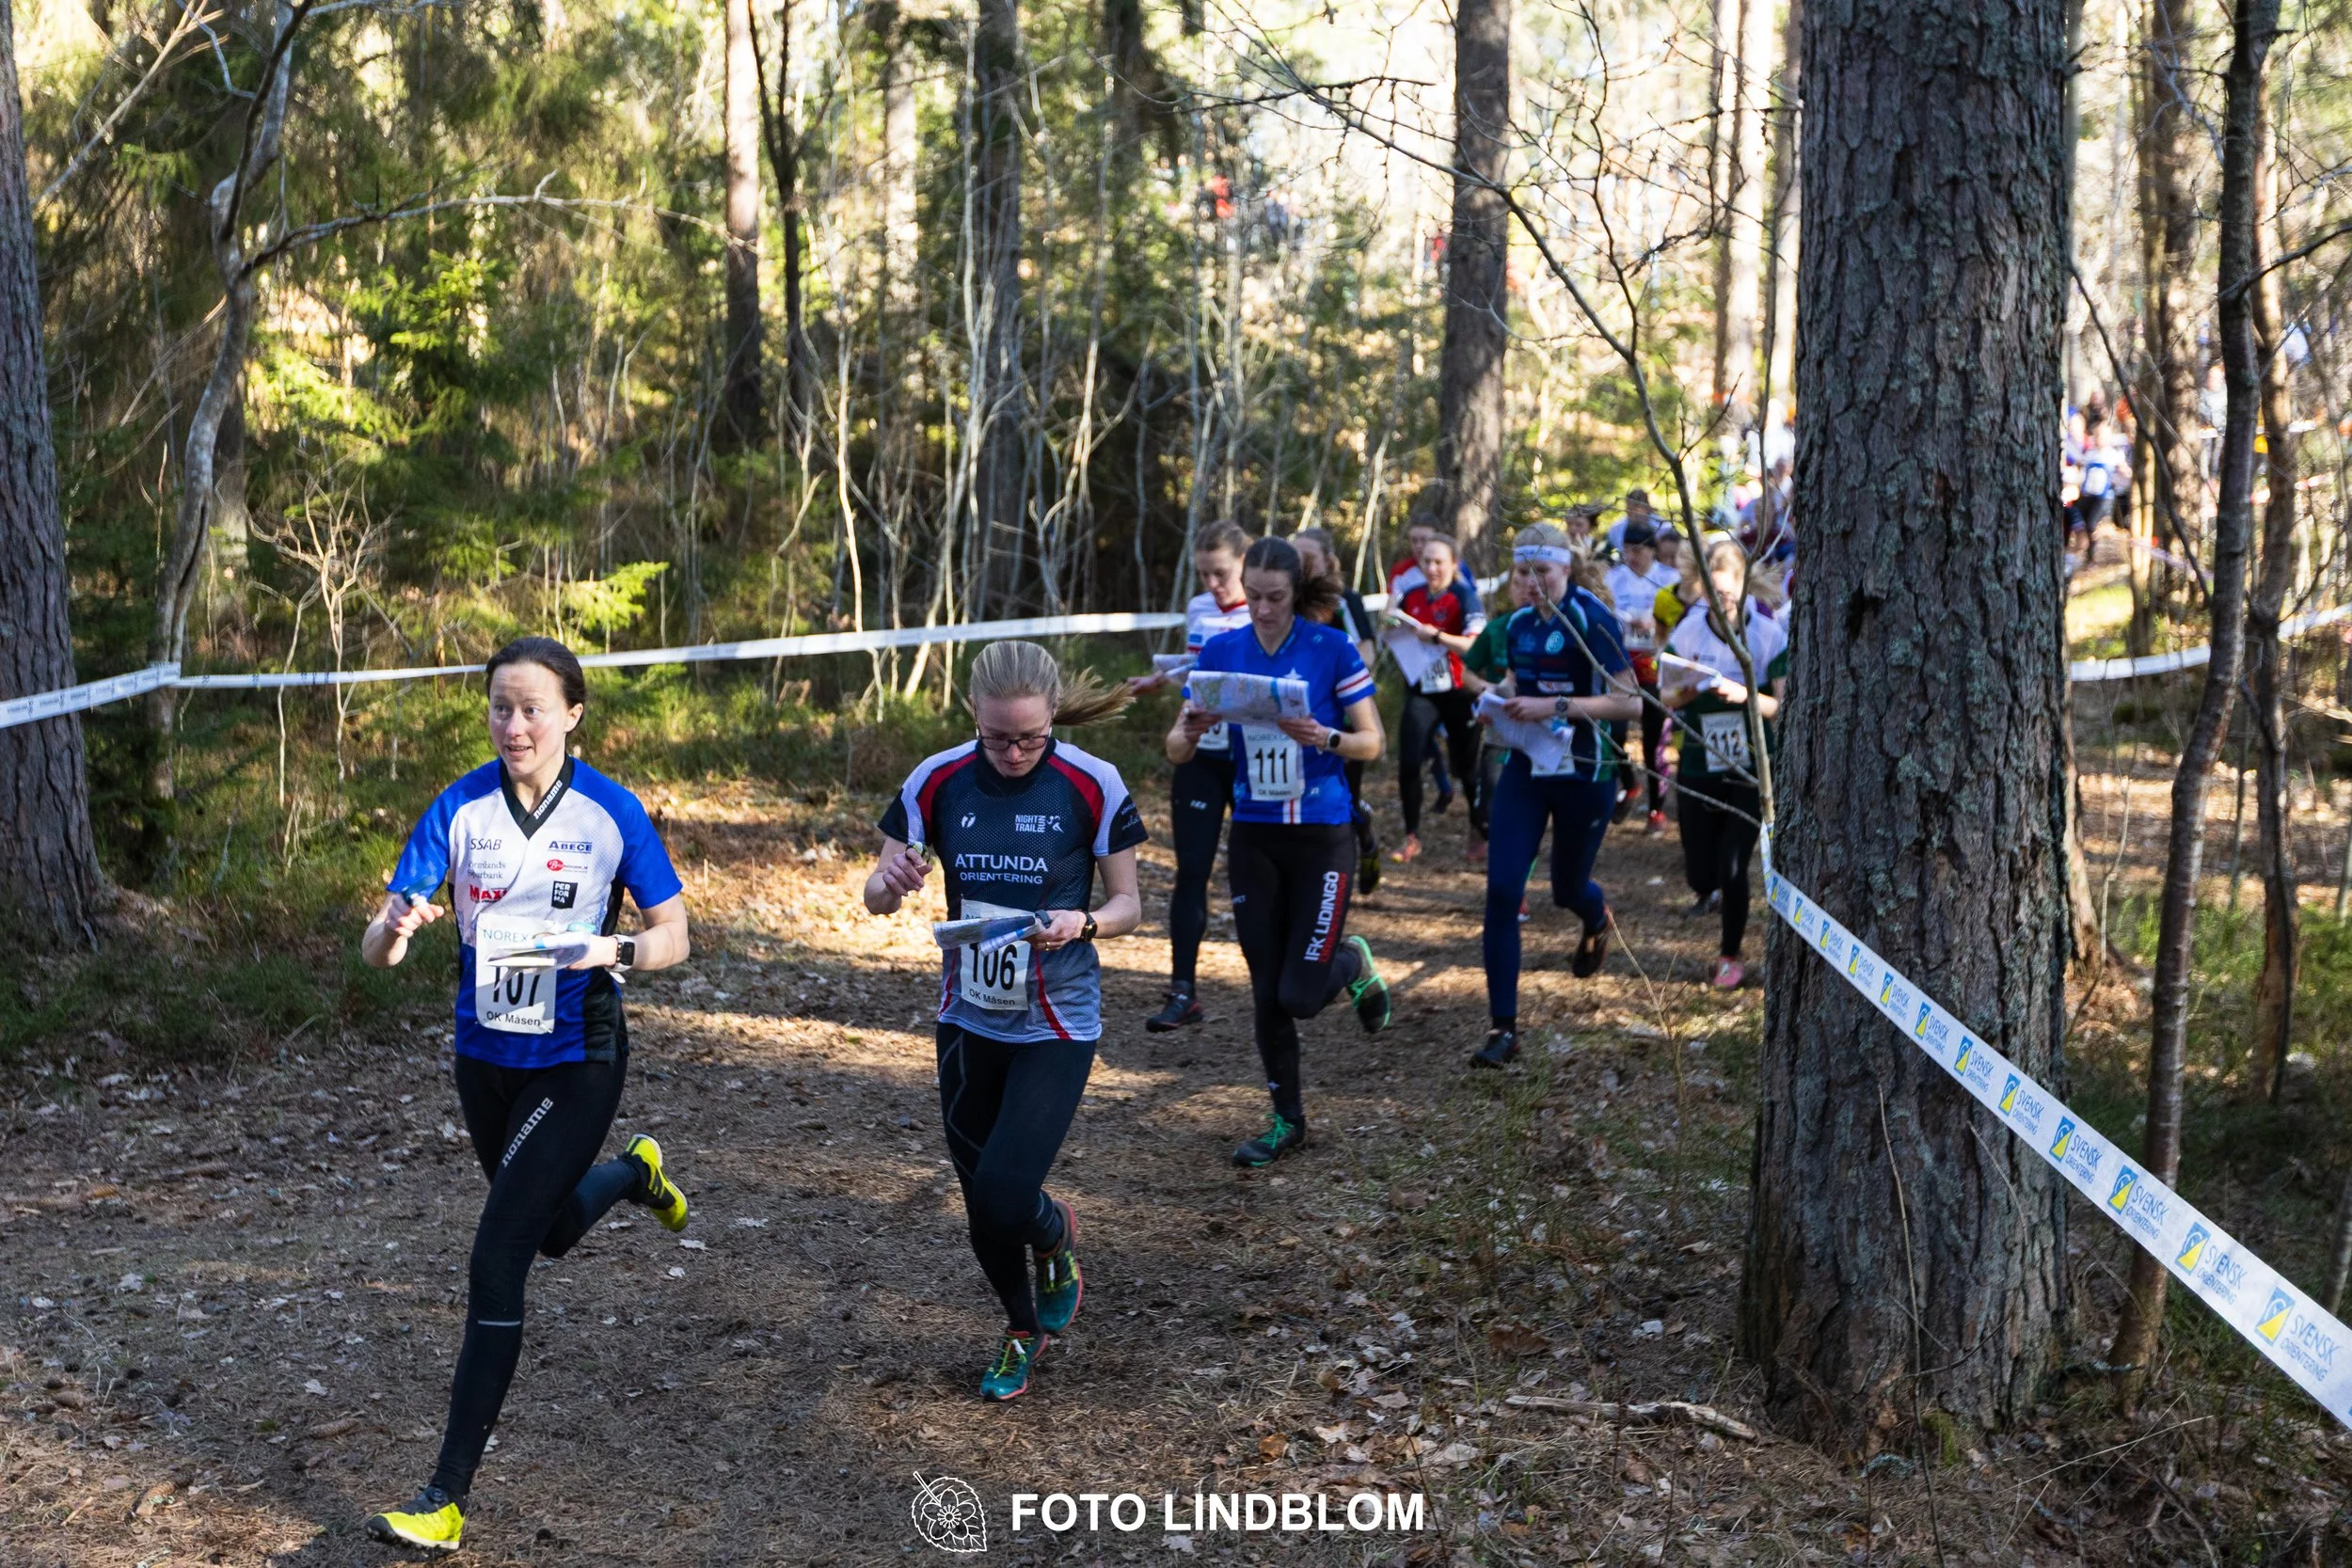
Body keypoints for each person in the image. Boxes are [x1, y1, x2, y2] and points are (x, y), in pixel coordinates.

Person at [359, 637, 692, 1553]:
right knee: (545, 1226)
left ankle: (444, 1496)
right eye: (501, 707)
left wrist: (610, 951)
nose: (514, 725)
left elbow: (674, 937)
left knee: (498, 1254)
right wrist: (394, 922)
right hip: (484, 1057)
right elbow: (375, 950)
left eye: (533, 707)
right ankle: (631, 1174)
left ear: (573, 712)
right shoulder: (459, 807)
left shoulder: (609, 812)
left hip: (577, 1055)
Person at [864, 641, 1147, 1401]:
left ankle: (1054, 1231)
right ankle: (1021, 1329)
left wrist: (1081, 921)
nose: (1015, 751)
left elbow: (1128, 904)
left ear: (1053, 713)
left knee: (1005, 1191)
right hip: (969, 1015)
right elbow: (876, 896)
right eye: (998, 737)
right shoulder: (937, 779)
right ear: (974, 718)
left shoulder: (1093, 782)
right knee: (978, 1195)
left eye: (1029, 736)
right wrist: (888, 879)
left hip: (1058, 1019)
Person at [1171, 537, 1394, 1166]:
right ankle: (1286, 1120)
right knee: (1268, 991)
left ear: (1296, 593)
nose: (1263, 610)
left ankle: (1350, 962)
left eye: (1276, 598)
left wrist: (1324, 735)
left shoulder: (1330, 647)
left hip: (1323, 834)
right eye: (1255, 596)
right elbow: (1176, 751)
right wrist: (1189, 729)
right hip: (1255, 835)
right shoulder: (1221, 650)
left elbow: (1373, 741)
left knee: (1300, 993)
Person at [1470, 524, 1642, 1069]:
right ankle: (1504, 1028)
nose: (1532, 581)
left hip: (1586, 772)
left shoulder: (1593, 619)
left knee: (1567, 889)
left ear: (1566, 569)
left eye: (1543, 570)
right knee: (1501, 891)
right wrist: (1493, 701)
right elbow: (1517, 685)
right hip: (1526, 767)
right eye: (1523, 571)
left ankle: (1596, 919)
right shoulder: (1518, 624)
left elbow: (1630, 702)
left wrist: (1557, 707)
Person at [1133, 523, 1253, 1033]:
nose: (1213, 584)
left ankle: (1276, 987)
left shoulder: (1265, 609)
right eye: (1204, 574)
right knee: (1192, 871)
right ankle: (1183, 990)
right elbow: (1199, 667)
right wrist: (1163, 679)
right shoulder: (1200, 608)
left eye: (1221, 573)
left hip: (1251, 754)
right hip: (1201, 751)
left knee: (1253, 875)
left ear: (1244, 563)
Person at [1662, 537, 1788, 990]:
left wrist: (1746, 696)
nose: (1722, 602)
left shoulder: (1769, 635)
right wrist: (1690, 692)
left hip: (1751, 764)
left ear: (1744, 586)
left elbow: (1785, 707)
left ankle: (1729, 956)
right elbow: (1666, 698)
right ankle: (1707, 889)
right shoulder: (1687, 633)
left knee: (1733, 864)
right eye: (1713, 594)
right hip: (1698, 759)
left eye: (1730, 593)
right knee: (1701, 870)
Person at [1388, 532, 1489, 864]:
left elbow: (1476, 644)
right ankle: (1412, 835)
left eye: (1438, 562)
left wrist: (1440, 637)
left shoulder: (1464, 596)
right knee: (1410, 760)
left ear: (1454, 564)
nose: (1431, 568)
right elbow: (1393, 628)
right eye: (1426, 561)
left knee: (1466, 767)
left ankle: (1478, 829)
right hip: (1422, 690)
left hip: (1459, 689)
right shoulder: (1412, 595)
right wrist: (1389, 621)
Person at [1294, 527, 1384, 889]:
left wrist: (1336, 675)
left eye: (1307, 559)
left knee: (1344, 799)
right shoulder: (1285, 600)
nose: (1300, 566)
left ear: (1328, 562)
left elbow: (1367, 650)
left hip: (1344, 718)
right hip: (1298, 717)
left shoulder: (1345, 600)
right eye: (1293, 558)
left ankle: (1363, 841)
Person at [1603, 521, 1680, 834]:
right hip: (1620, 662)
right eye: (1627, 551)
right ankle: (1628, 782)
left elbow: (1678, 616)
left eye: (1639, 550)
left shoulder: (1668, 578)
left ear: (1652, 550)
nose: (1632, 557)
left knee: (1653, 737)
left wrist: (1654, 621)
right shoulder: (1612, 578)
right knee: (1615, 732)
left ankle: (1656, 810)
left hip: (1654, 663)